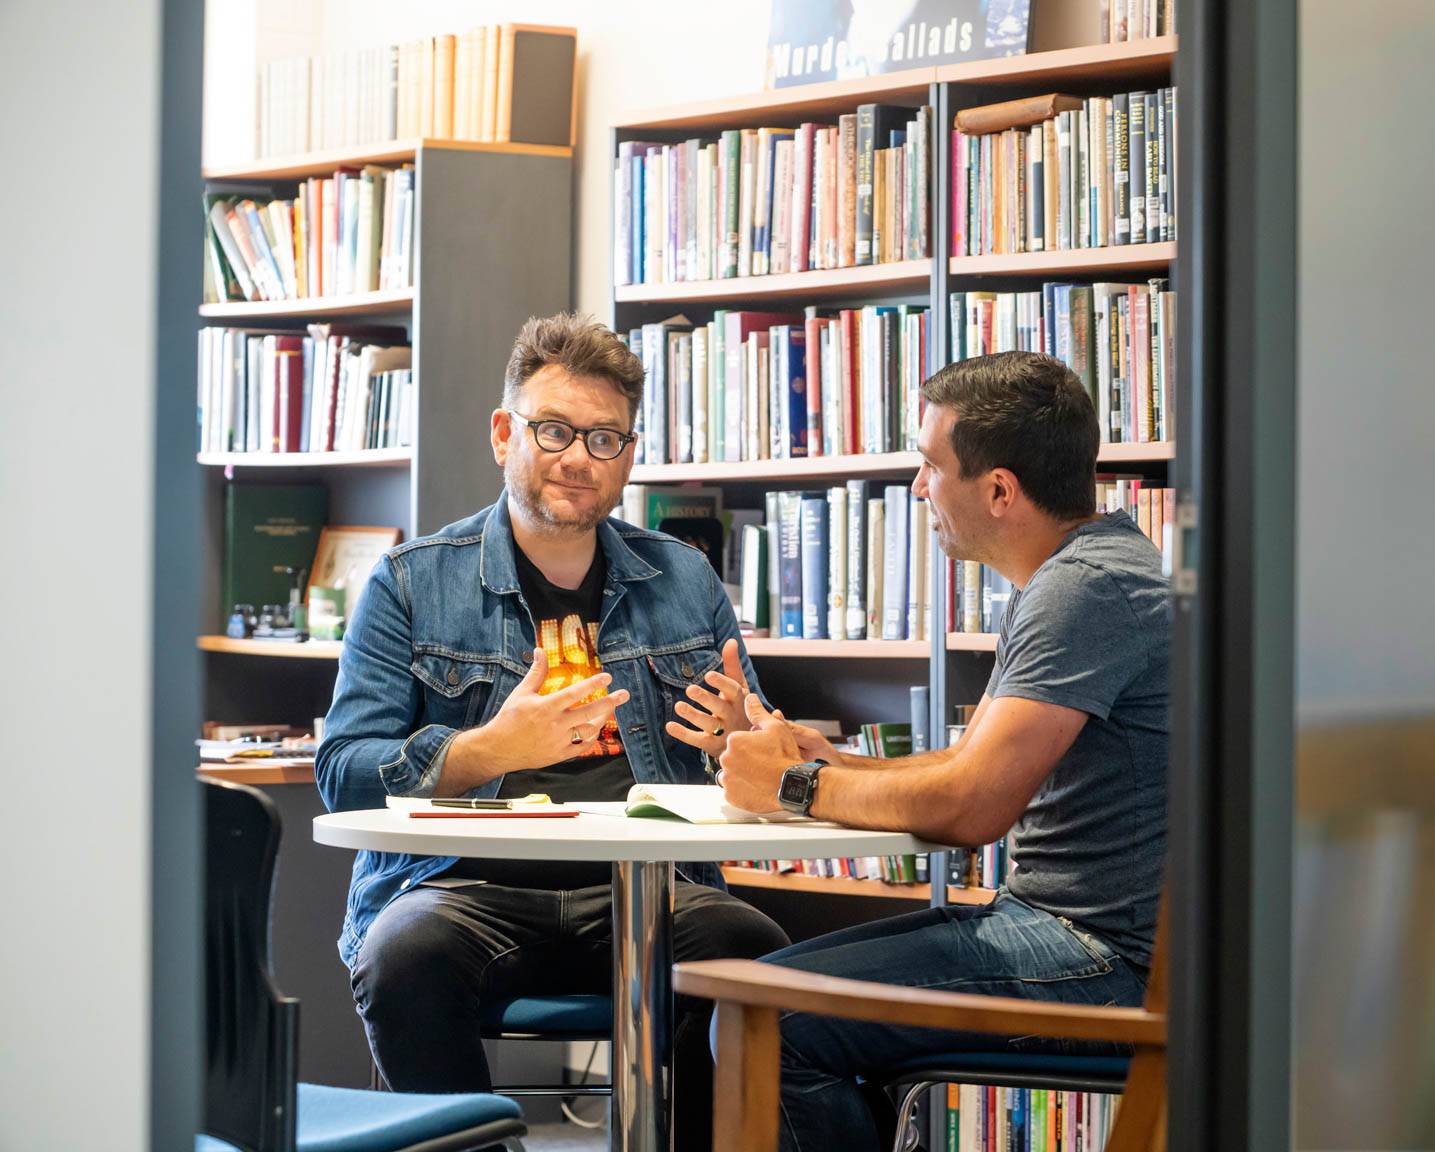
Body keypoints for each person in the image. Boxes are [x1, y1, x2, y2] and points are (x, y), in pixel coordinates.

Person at [315, 312, 789, 1152]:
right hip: (464, 892)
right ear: (505, 434)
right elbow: (343, 771)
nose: (579, 458)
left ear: (629, 456)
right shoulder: (410, 584)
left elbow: (758, 753)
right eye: (555, 430)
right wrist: (489, 750)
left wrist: (741, 746)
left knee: (753, 951)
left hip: (646, 891)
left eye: (605, 439)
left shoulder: (682, 578)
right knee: (399, 958)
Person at [712, 351, 1170, 1151]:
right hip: (1066, 932)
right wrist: (831, 760)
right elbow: (966, 766)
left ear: (997, 489)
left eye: (930, 466)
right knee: (758, 993)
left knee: (766, 1019)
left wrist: (792, 786)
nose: (919, 488)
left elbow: (970, 808)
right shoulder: (1078, 573)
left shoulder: (1083, 590)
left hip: (1098, 961)